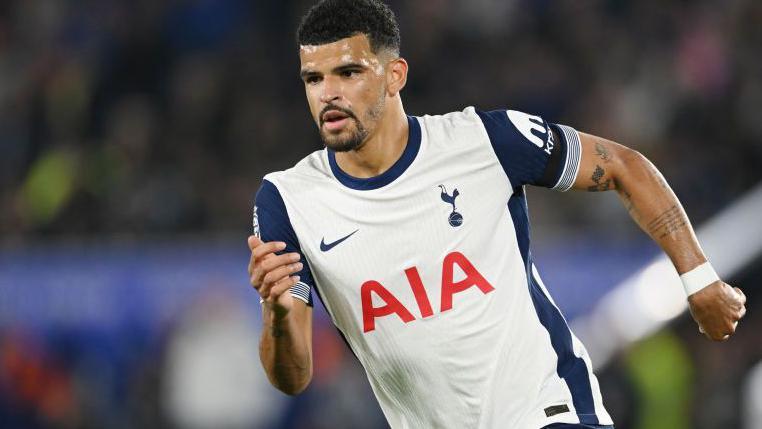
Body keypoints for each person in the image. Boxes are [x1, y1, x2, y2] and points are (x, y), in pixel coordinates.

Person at [246, 0, 747, 427]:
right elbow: (294, 378)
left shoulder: (483, 141)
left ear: (394, 74)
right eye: (313, 78)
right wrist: (274, 314)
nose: (328, 93)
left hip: (547, 411)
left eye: (348, 72)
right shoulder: (289, 201)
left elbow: (622, 165)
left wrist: (700, 279)